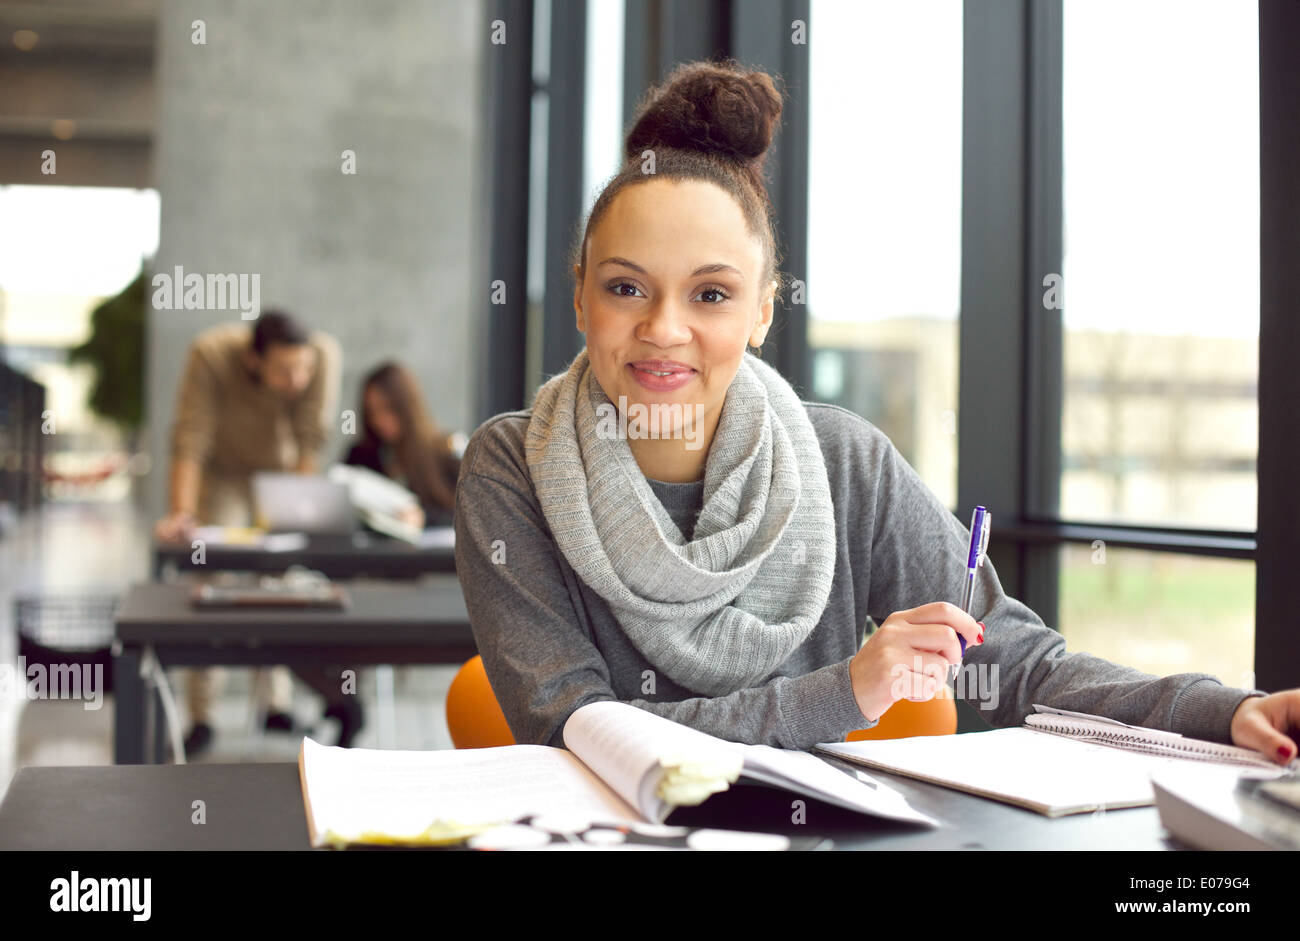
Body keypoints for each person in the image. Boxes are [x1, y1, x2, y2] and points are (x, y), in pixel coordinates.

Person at [452, 59, 1299, 766]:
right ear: (579, 297)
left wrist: (1218, 711)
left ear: (761, 313)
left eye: (711, 293)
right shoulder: (512, 465)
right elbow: (576, 734)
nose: (664, 328)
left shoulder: (842, 459)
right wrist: (846, 691)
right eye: (626, 286)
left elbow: (1016, 666)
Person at [155, 310, 363, 755]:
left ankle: (276, 704)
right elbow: (190, 438)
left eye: (304, 368)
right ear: (254, 361)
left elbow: (312, 437)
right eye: (286, 371)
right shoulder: (210, 354)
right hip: (226, 475)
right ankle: (202, 716)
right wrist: (182, 512)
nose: (299, 379)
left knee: (279, 579)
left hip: (284, 474)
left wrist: (298, 514)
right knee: (212, 580)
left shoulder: (323, 355)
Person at [342, 360, 461, 529]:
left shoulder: (444, 451)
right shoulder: (360, 454)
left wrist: (424, 518)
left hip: (426, 553)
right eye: (372, 412)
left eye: (387, 409)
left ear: (406, 407)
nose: (379, 420)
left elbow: (469, 514)